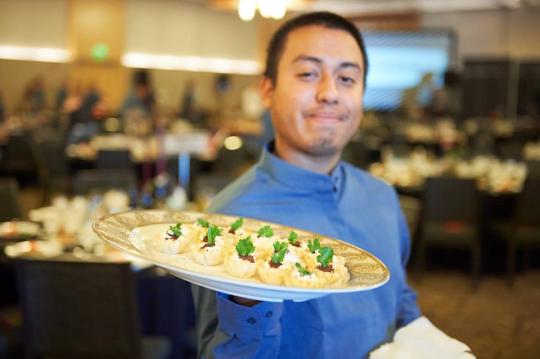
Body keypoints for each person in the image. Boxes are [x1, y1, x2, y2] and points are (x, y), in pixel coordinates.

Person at [192, 12, 421, 358]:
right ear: (268, 90)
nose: (329, 93)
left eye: (347, 78)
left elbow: (399, 299)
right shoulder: (229, 219)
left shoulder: (382, 196)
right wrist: (247, 299)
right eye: (308, 74)